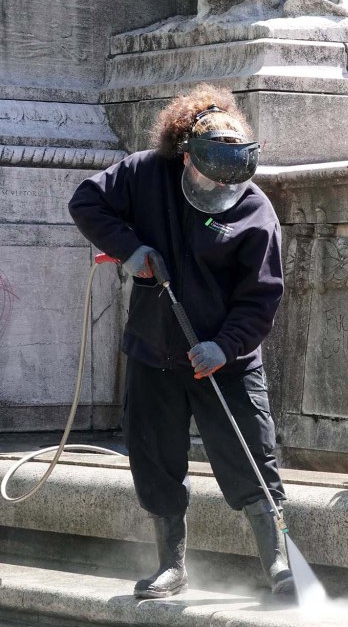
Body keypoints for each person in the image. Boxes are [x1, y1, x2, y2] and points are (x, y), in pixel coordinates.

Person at [68, 84, 292, 598]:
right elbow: (87, 201)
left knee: (251, 457)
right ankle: (172, 564)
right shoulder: (146, 172)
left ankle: (278, 563)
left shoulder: (255, 211)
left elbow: (261, 299)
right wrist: (130, 249)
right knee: (154, 459)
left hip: (225, 361)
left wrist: (227, 346)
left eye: (227, 182)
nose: (218, 188)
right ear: (185, 154)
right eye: (208, 177)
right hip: (155, 350)